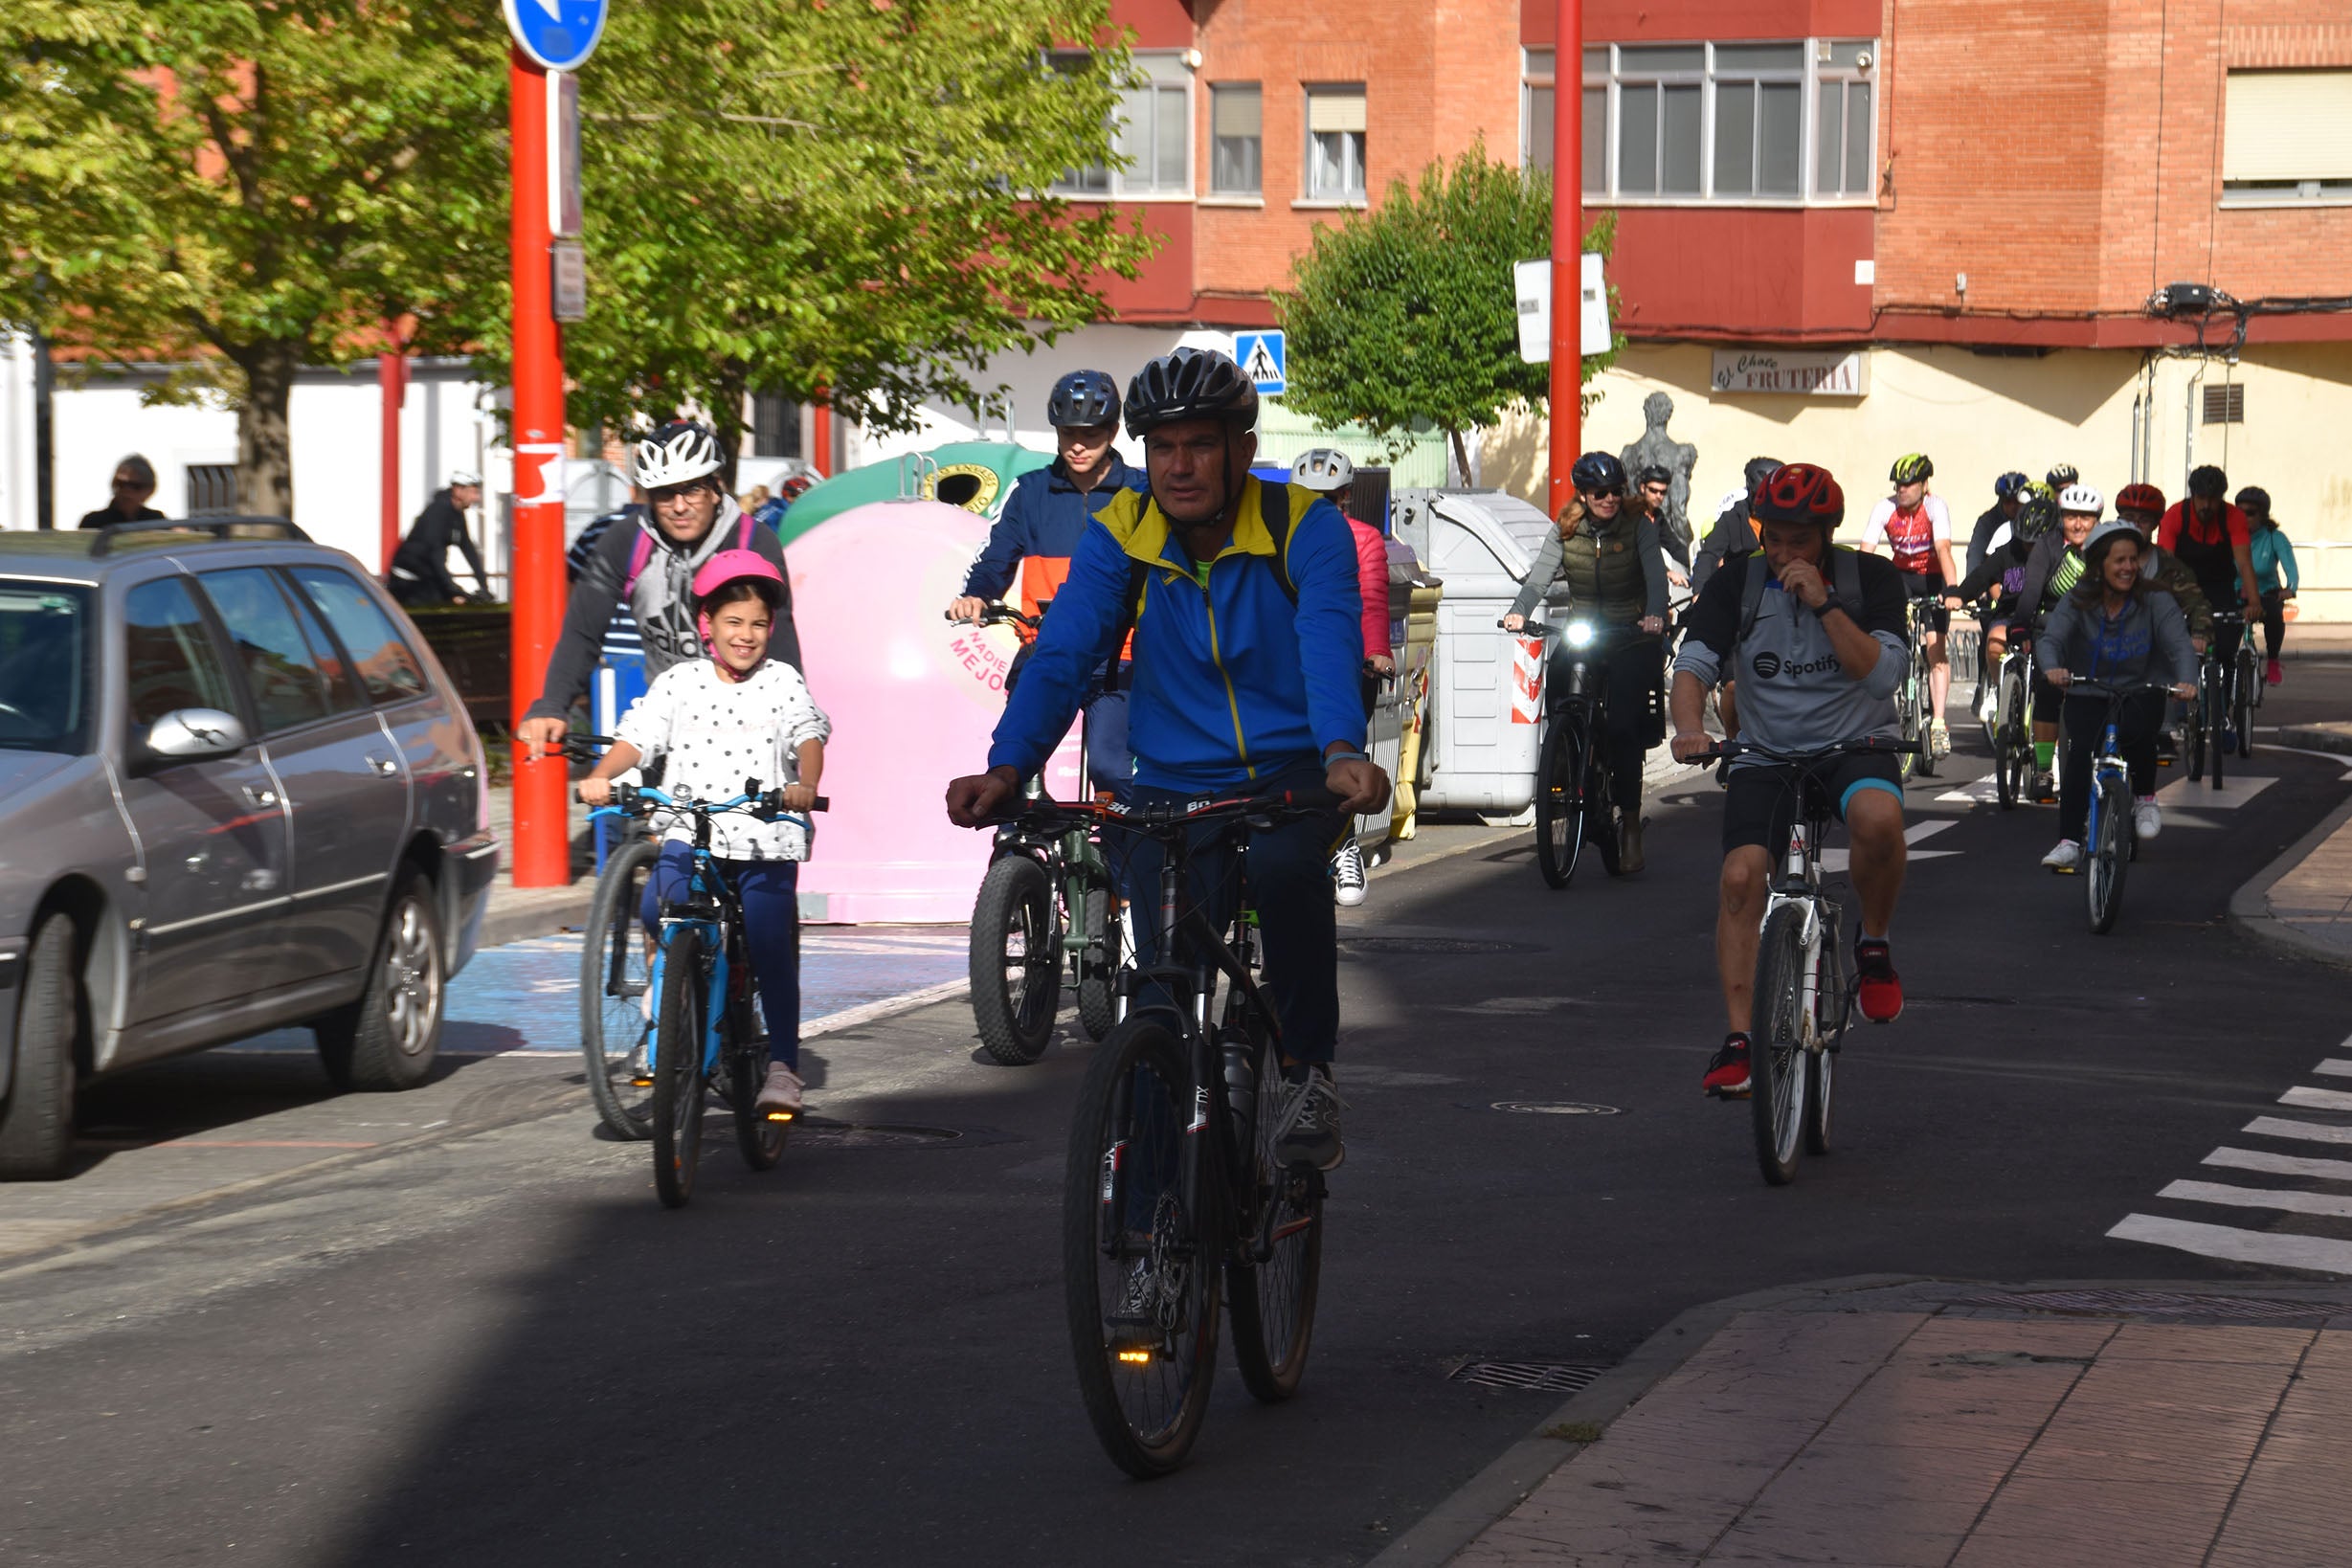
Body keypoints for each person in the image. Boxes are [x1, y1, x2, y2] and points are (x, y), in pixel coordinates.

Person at [944, 347, 1387, 1172]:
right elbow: (1067, 652)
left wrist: (1338, 751)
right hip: (1175, 780)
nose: (1179, 467)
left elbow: (1327, 643)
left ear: (1242, 450)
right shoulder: (1124, 531)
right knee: (1163, 988)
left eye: (1201, 445)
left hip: (1293, 768)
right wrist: (1008, 767)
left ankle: (1305, 1069)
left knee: (1290, 874)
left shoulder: (1303, 525)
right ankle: (1153, 1233)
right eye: (1163, 448)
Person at [1668, 463, 1912, 1099]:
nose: (1781, 553)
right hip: (1767, 751)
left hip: (1854, 746)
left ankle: (1875, 947)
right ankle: (1739, 1040)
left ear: (1826, 533)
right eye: (1771, 537)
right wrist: (1689, 728)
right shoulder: (1739, 581)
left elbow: (1882, 677)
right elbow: (1692, 663)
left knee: (1878, 822)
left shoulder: (1871, 580)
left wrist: (1823, 603)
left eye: (1796, 540)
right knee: (1741, 877)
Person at [576, 550, 830, 1115]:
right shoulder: (679, 682)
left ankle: (783, 1067)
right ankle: (669, 1013)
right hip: (688, 830)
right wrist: (599, 777)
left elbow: (807, 736)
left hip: (764, 835)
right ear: (706, 625)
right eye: (734, 622)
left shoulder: (781, 681)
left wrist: (804, 786)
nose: (747, 635)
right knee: (655, 910)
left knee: (768, 945)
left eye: (759, 624)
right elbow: (638, 737)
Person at [518, 421, 801, 762]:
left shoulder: (754, 541)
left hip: (749, 728)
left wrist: (794, 725)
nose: (679, 506)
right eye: (664, 493)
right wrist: (551, 704)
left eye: (691, 490)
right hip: (668, 727)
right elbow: (582, 632)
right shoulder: (625, 542)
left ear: (715, 488)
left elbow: (780, 636)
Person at [943, 369, 1146, 799]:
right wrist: (977, 595)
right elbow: (994, 558)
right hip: (1043, 646)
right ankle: (1016, 852)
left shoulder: (1141, 493)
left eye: (1090, 434)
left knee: (1112, 770)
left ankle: (1120, 856)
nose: (1077, 444)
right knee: (1014, 773)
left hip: (1119, 657)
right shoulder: (1029, 492)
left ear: (1112, 432)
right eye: (1068, 432)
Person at [1503, 450, 1669, 873]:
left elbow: (1655, 578)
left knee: (1622, 727)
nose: (1610, 499)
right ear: (1583, 494)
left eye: (1616, 491)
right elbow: (1538, 577)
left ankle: (1630, 825)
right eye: (1600, 493)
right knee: (1559, 689)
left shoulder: (1639, 528)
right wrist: (1519, 610)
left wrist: (1654, 614)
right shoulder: (1566, 530)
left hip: (1631, 633)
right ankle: (1562, 762)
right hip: (1585, 631)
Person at [2036, 520, 2198, 870]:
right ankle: (2068, 842)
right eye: (2119, 561)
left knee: (2140, 735)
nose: (2128, 568)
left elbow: (2179, 645)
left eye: (2132, 560)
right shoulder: (2078, 598)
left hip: (2140, 688)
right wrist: (2052, 669)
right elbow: (2051, 640)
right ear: (2099, 565)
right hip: (2087, 689)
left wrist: (2187, 681)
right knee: (2078, 755)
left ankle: (2145, 798)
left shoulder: (2156, 598)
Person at [1293, 447, 1391, 907]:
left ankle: (1345, 844)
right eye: (1307, 496)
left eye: (1329, 498)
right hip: (1290, 662)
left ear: (1346, 496)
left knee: (1343, 758)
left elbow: (1370, 600)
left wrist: (1374, 651)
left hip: (1347, 658)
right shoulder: (1280, 536)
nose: (1318, 506)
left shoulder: (1364, 539)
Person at [2157, 466, 2264, 751]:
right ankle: (2183, 698)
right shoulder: (2174, 517)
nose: (2206, 505)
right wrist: (2162, 607)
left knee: (2227, 652)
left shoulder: (2233, 517)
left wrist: (2253, 603)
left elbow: (2244, 562)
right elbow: (2164, 567)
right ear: (2192, 495)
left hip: (2220, 588)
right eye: (2201, 498)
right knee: (2179, 644)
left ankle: (2222, 715)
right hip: (2182, 586)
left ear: (2221, 498)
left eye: (2213, 499)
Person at [1859, 453, 1959, 757]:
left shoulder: (1935, 507)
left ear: (1924, 484)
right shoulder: (1885, 508)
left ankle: (1938, 722)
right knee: (1890, 631)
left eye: (1909, 484)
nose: (1902, 490)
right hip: (1900, 577)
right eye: (1898, 485)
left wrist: (1953, 589)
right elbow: (1866, 551)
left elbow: (1943, 549)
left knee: (1935, 648)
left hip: (1932, 579)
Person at [388, 471, 490, 607]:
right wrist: (453, 589)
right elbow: (434, 554)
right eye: (474, 492)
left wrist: (484, 587)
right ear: (458, 490)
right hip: (408, 580)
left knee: (454, 602)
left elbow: (468, 550)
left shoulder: (457, 515)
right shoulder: (438, 511)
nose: (477, 498)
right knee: (441, 609)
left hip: (428, 575)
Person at [1691, 457, 1784, 594]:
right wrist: (1699, 592)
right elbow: (1708, 556)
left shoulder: (1787, 521)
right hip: (1741, 593)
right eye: (1761, 496)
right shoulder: (1732, 518)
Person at [2238, 487, 2298, 685]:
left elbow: (2290, 566)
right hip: (2236, 593)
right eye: (2240, 512)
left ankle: (2273, 660)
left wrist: (2290, 587)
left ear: (2262, 515)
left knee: (2274, 615)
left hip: (2266, 594)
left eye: (2251, 513)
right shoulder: (2230, 536)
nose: (2244, 517)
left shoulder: (2274, 537)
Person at [1633, 464, 1692, 586]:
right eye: (1653, 491)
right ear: (1643, 488)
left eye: (1663, 492)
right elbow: (1637, 554)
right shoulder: (1633, 515)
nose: (1658, 496)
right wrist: (1667, 572)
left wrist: (1696, 562)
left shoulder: (1657, 516)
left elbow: (1675, 547)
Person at [1966, 471, 2032, 579]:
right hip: (1996, 579)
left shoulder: (2033, 519)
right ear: (2001, 500)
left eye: (2016, 501)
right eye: (2007, 501)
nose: (2013, 506)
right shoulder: (1987, 521)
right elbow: (1975, 554)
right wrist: (1972, 585)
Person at [76, 454, 167, 529]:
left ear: (149, 490)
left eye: (136, 486)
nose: (127, 491)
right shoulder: (93, 521)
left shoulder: (157, 521)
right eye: (121, 484)